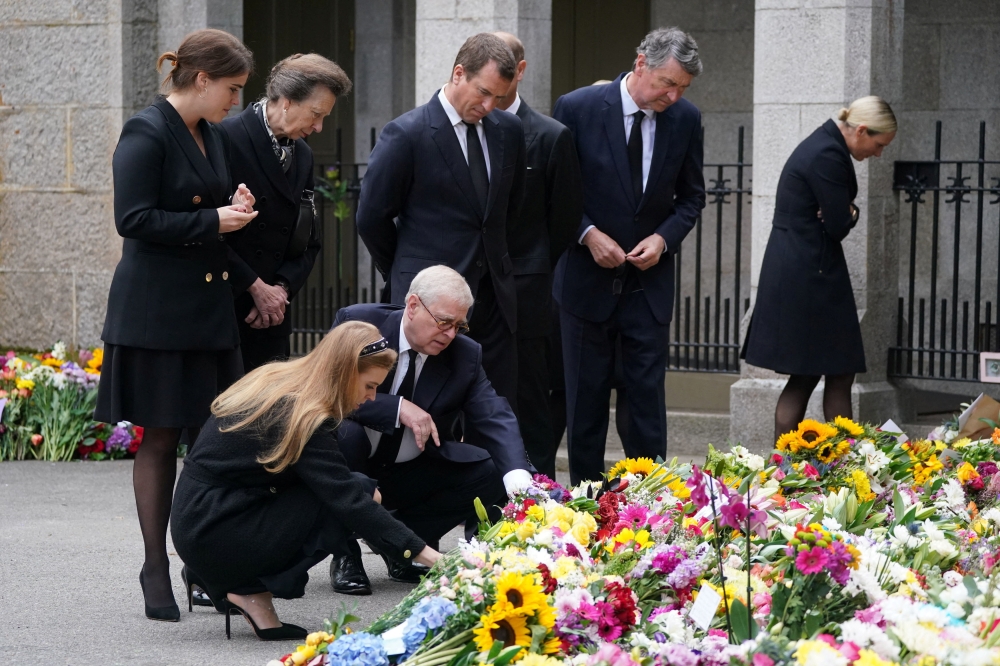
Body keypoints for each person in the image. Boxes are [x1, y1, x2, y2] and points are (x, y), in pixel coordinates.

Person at [94, 29, 258, 622]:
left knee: (212, 442)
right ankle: (153, 565)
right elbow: (132, 218)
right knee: (161, 437)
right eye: (232, 89)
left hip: (208, 311)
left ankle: (203, 562)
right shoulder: (146, 129)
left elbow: (204, 204)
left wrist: (232, 206)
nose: (236, 101)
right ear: (201, 79)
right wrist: (212, 219)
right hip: (158, 312)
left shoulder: (210, 134)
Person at [171, 322, 440, 640]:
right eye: (369, 385)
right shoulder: (303, 413)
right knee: (354, 499)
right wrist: (431, 558)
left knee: (355, 491)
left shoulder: (282, 380)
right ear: (344, 372)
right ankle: (244, 588)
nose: (371, 397)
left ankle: (228, 579)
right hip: (212, 527)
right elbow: (348, 500)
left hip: (200, 515)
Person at [552, 27, 706, 484]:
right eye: (667, 83)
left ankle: (649, 505)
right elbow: (557, 192)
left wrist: (663, 239)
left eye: (682, 88)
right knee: (586, 406)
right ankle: (584, 504)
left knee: (645, 408)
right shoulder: (576, 108)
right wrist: (587, 234)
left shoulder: (685, 119)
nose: (673, 96)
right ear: (641, 64)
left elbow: (691, 198)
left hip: (648, 287)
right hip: (584, 285)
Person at [328, 266, 532, 595]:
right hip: (353, 463)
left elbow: (494, 413)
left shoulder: (464, 354)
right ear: (412, 305)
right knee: (344, 434)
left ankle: (404, 546)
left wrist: (519, 479)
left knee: (491, 469)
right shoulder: (360, 325)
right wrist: (395, 407)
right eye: (443, 322)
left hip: (411, 470)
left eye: (459, 326)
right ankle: (345, 554)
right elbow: (327, 391)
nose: (451, 334)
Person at [356, 33, 527, 412]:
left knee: (494, 409)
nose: (488, 105)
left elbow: (507, 212)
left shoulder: (509, 132)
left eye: (498, 98)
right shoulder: (407, 132)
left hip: (494, 299)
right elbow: (371, 217)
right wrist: (407, 269)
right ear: (458, 73)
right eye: (482, 92)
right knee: (425, 408)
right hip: (431, 304)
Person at [741, 97, 897, 440]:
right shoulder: (828, 154)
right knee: (825, 372)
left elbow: (837, 216)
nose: (878, 153)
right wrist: (850, 212)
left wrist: (844, 210)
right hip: (810, 276)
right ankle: (822, 467)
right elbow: (839, 224)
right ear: (860, 130)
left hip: (806, 271)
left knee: (821, 372)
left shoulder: (824, 145)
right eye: (878, 144)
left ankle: (802, 466)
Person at [222, 54, 350, 371]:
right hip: (227, 309)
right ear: (288, 102)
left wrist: (280, 289)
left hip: (273, 318)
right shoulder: (226, 138)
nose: (319, 127)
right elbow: (206, 231)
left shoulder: (303, 155)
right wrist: (255, 286)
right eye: (316, 114)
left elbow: (309, 241)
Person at [492, 32, 583, 478]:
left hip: (527, 297)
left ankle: (538, 503)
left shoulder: (551, 136)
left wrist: (527, 265)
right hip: (466, 295)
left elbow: (562, 223)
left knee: (530, 405)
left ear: (520, 70)